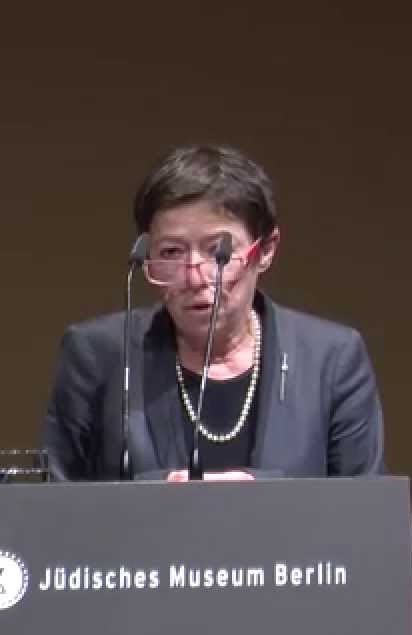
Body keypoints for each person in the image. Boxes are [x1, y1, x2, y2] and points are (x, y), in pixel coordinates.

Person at [43, 145, 385, 482]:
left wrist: (260, 494)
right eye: (171, 252)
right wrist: (158, 496)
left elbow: (366, 515)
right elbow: (55, 509)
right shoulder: (98, 354)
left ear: (265, 251)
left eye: (218, 252)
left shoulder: (331, 359)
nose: (194, 277)